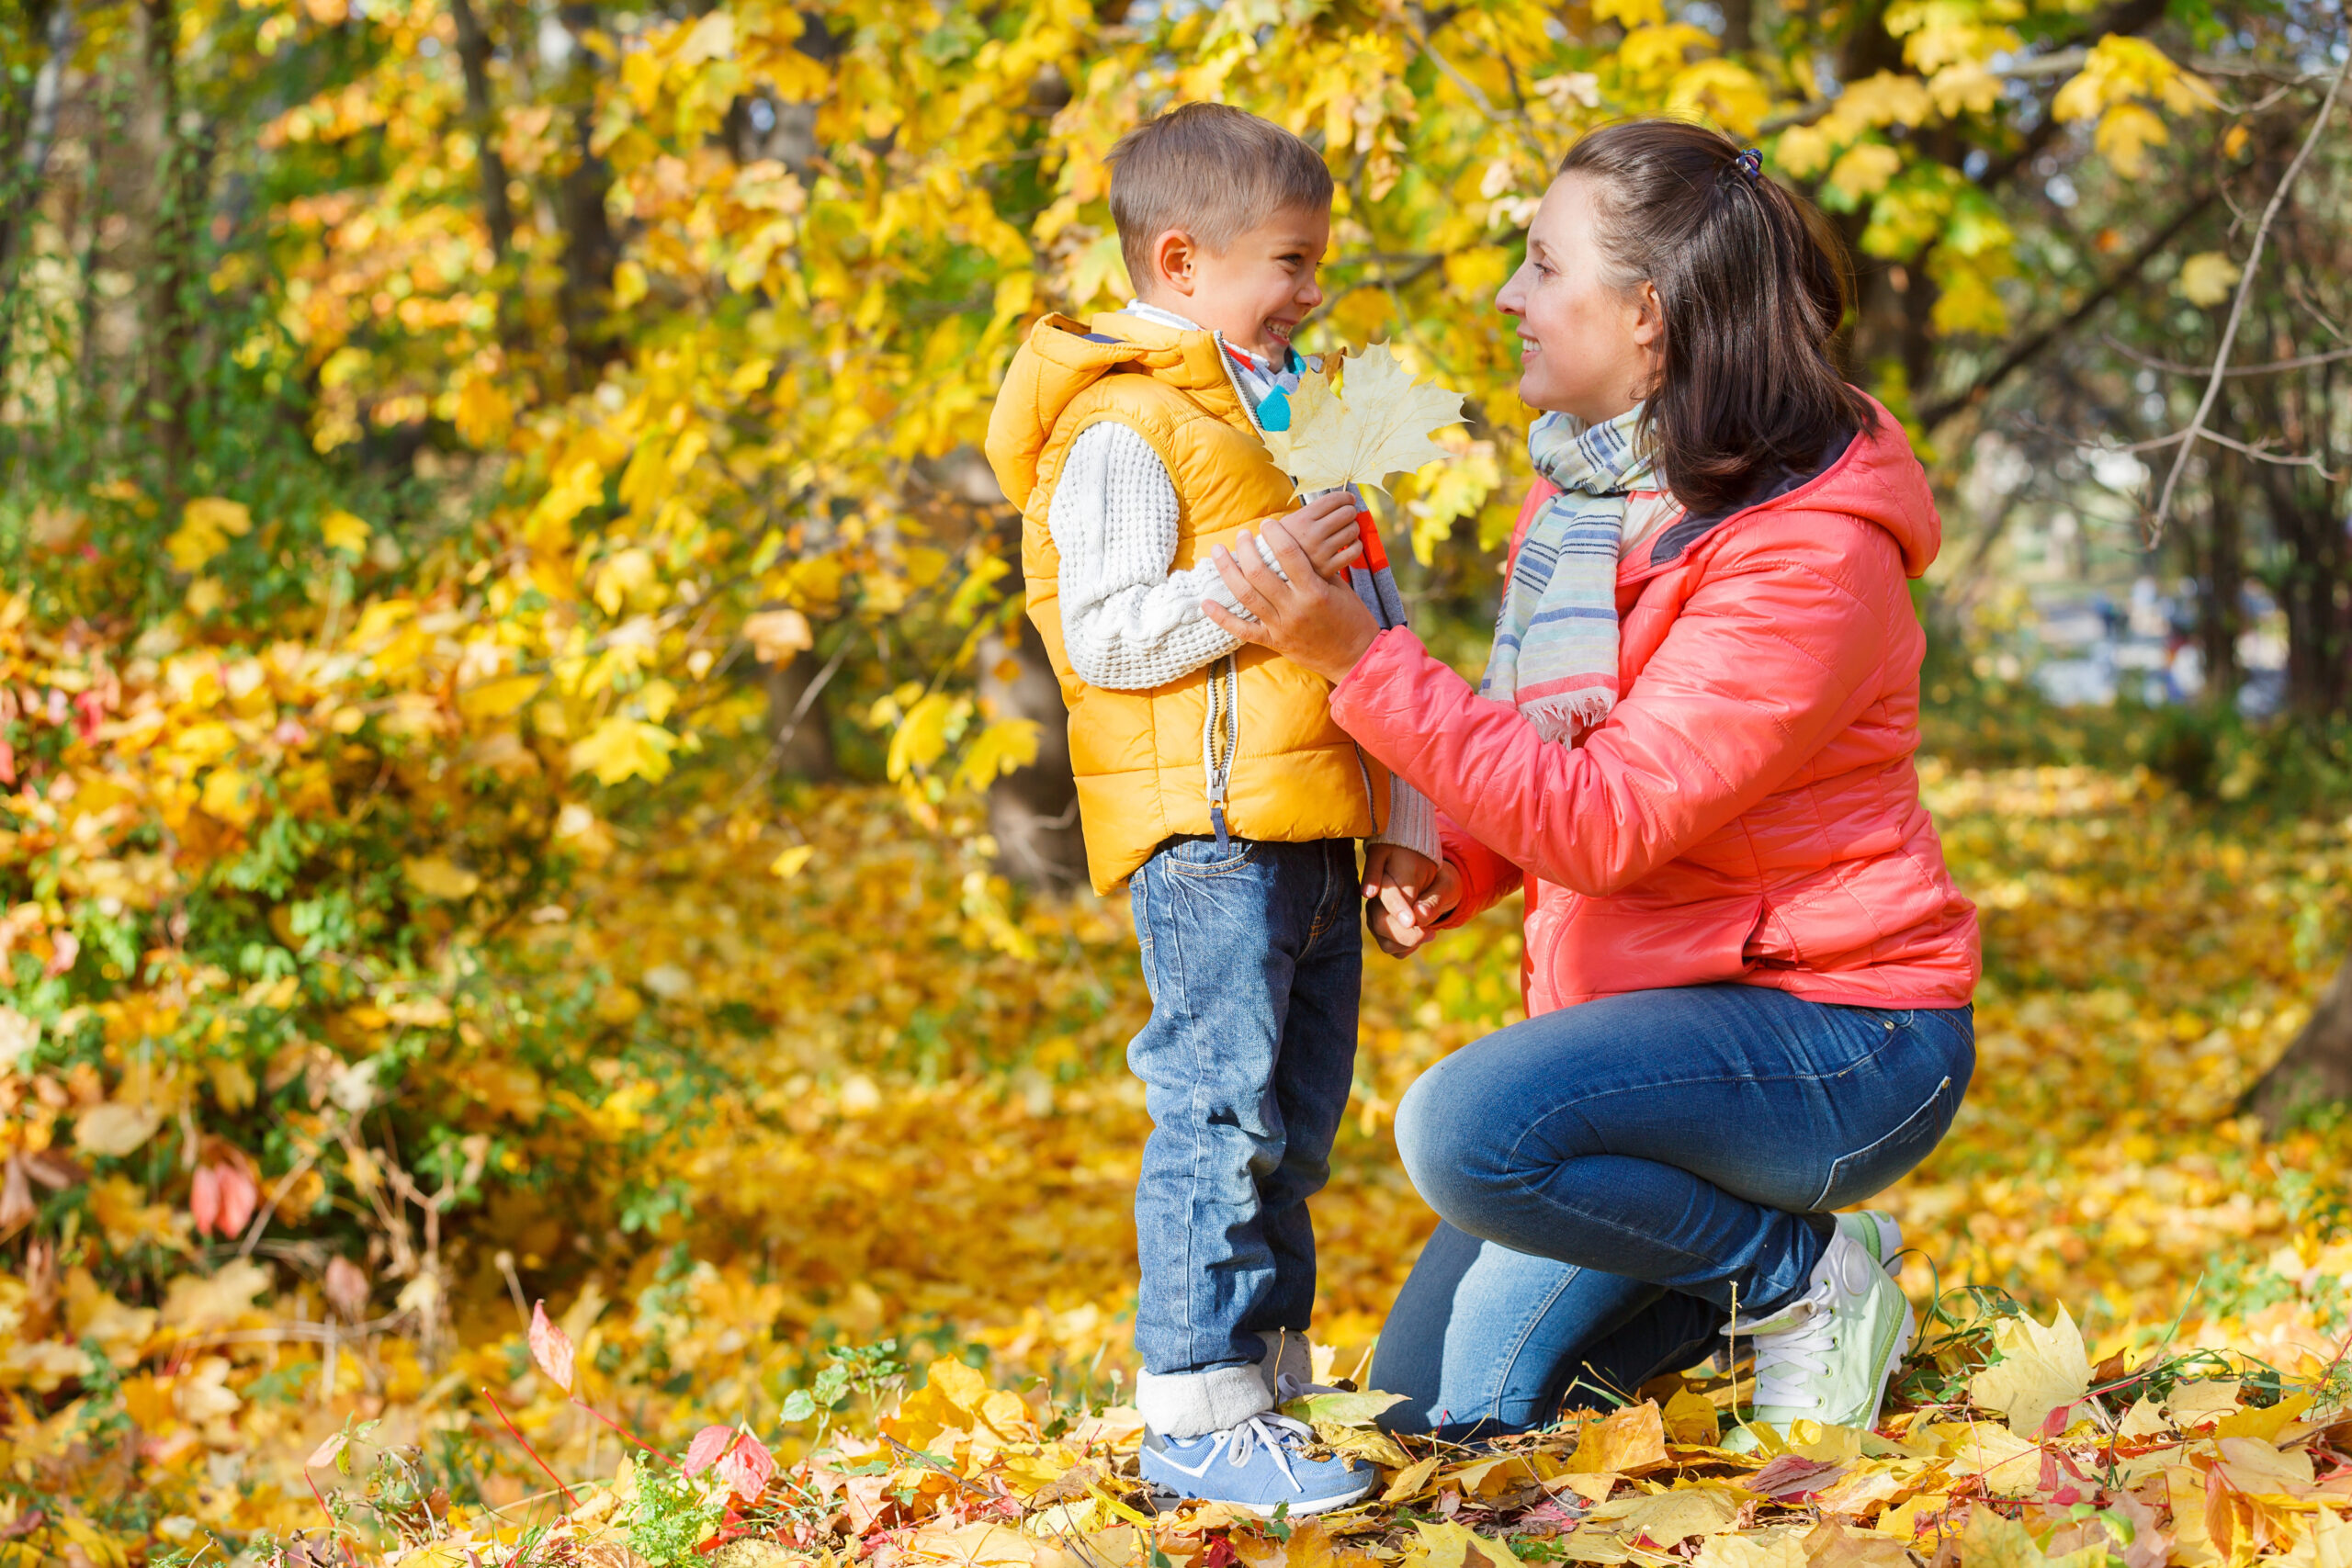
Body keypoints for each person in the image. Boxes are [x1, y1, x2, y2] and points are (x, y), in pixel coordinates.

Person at [1199, 120, 1981, 1446]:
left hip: (1840, 1035)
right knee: (1429, 1422)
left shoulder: (1809, 554)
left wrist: (1356, 659)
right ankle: (1724, 1281)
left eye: (1544, 266)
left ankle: (1798, 1278)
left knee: (1462, 1130)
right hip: (1651, 1033)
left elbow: (1609, 819)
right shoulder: (1584, 496)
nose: (1511, 296)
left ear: (1648, 317)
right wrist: (1453, 859)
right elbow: (1552, 752)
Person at [982, 103, 1442, 1511]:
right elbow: (1104, 638)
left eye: (1318, 264)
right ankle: (1194, 1407)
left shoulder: (1294, 408)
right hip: (1212, 836)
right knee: (1218, 1116)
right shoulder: (1126, 425)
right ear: (1182, 261)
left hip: (1315, 827)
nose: (1313, 291)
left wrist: (1411, 814)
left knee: (1294, 1126)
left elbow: (1374, 617)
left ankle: (1269, 1390)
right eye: (1290, 263)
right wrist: (1257, 577)